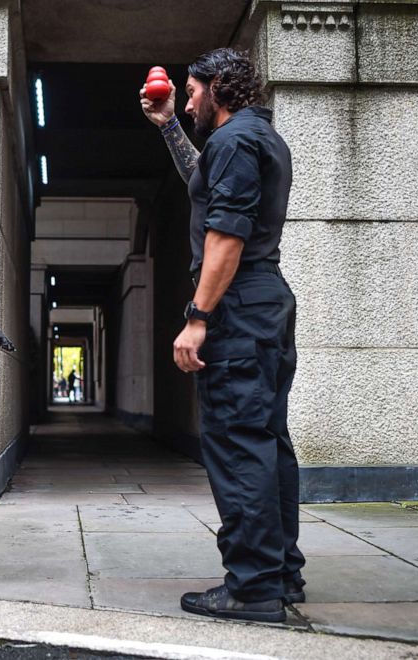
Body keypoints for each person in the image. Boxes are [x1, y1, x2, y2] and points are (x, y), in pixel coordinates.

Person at [140, 48, 305, 623]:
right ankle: (281, 573)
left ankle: (254, 586)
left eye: (190, 92)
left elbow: (225, 237)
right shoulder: (258, 139)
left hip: (237, 305)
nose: (184, 102)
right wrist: (167, 131)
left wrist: (197, 317)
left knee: (236, 444)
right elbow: (204, 186)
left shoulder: (234, 142)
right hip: (265, 303)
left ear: (220, 89)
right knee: (266, 440)